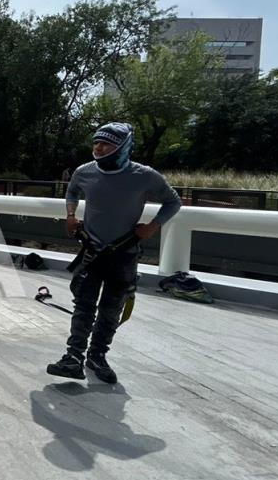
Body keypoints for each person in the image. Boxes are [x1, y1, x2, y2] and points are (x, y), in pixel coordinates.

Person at [46, 122, 181, 384]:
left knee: (111, 308)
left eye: (106, 143)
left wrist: (153, 227)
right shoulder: (84, 172)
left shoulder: (144, 175)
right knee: (83, 305)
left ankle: (97, 356)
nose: (98, 148)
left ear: (122, 147)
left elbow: (173, 201)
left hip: (124, 251)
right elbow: (72, 190)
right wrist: (71, 215)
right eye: (96, 142)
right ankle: (73, 357)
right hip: (92, 250)